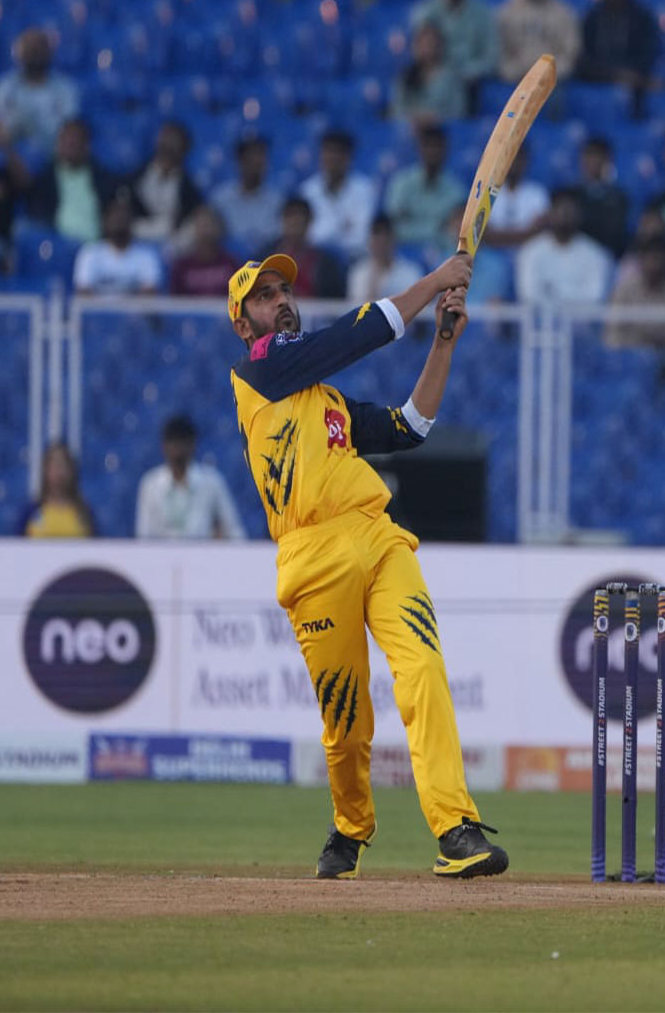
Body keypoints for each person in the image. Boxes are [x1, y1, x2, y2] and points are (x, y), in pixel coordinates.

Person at [225, 250, 509, 878]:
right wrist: (436, 280)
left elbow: (411, 428)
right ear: (244, 324)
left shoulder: (323, 400)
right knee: (347, 724)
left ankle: (455, 828)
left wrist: (443, 341)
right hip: (310, 556)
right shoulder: (260, 373)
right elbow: (358, 335)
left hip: (379, 539)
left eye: (284, 290)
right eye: (264, 296)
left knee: (423, 670)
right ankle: (350, 829)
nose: (282, 300)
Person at [135, 413, 245, 540]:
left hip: (205, 557)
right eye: (173, 443)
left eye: (182, 442)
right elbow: (143, 537)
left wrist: (221, 542)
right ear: (164, 446)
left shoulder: (212, 482)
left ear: (193, 445)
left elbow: (235, 533)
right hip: (160, 558)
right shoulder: (150, 485)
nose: (178, 450)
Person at [577, 0, 659, 109]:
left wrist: (630, 74)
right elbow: (583, 58)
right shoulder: (592, 16)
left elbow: (648, 54)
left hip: (634, 86)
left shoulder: (642, 16)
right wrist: (613, 74)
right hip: (599, 81)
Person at [409, 0, 496, 87]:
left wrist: (463, 74)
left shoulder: (483, 13)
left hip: (470, 84)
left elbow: (491, 59)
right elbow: (419, 54)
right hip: (435, 83)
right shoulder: (426, 12)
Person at [514, 186, 612, 306]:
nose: (565, 214)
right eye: (560, 209)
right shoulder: (531, 251)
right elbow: (529, 296)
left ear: (580, 214)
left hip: (581, 322)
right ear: (550, 213)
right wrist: (572, 295)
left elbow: (595, 296)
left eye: (570, 209)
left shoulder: (595, 254)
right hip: (540, 323)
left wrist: (553, 291)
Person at [495, 0, 580, 82]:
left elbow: (570, 55)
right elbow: (499, 54)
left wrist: (548, 75)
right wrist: (516, 73)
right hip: (516, 82)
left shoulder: (564, 13)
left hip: (551, 84)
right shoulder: (506, 13)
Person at [0, 27, 80, 153]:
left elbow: (70, 131)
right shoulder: (5, 86)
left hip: (53, 158)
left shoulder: (65, 88)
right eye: (30, 50)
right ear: (19, 54)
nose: (35, 55)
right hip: (11, 158)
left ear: (49, 52)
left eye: (39, 50)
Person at [28, 117, 117, 243]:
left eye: (75, 141)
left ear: (87, 146)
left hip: (95, 248)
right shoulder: (45, 178)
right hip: (57, 247)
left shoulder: (101, 178)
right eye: (66, 140)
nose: (70, 145)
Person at [383, 124, 466, 250]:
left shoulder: (456, 190)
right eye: (428, 146)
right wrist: (437, 228)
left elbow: (453, 233)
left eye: (437, 146)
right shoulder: (401, 184)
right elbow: (393, 227)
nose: (432, 151)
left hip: (442, 256)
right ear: (419, 149)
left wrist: (412, 223)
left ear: (446, 151)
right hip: (402, 256)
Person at [605, 232, 665, 349]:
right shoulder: (624, 290)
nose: (655, 265)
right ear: (641, 260)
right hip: (627, 357)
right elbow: (613, 333)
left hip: (663, 361)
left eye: (660, 259)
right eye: (651, 258)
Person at [73, 187, 164, 295]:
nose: (119, 220)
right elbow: (83, 293)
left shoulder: (146, 255)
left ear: (131, 220)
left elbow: (149, 296)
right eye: (115, 215)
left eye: (123, 215)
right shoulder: (90, 253)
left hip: (133, 311)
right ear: (105, 221)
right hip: (100, 311)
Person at [299, 128, 378, 250]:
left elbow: (363, 237)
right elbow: (304, 235)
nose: (333, 158)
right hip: (315, 260)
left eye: (339, 152)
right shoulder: (307, 191)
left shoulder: (364, 189)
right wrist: (343, 229)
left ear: (349, 157)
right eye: (328, 151)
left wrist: (330, 239)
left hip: (352, 260)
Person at [132, 120, 205, 245]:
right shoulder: (135, 178)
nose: (168, 146)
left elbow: (185, 223)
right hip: (139, 240)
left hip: (174, 244)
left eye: (174, 143)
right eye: (165, 141)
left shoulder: (190, 189)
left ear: (184, 149)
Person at [209, 135, 282, 253]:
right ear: (240, 162)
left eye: (261, 159)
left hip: (266, 264)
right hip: (230, 265)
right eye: (251, 159)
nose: (256, 164)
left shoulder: (277, 201)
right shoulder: (220, 200)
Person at [391, 21, 467, 127]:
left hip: (442, 134)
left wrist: (435, 118)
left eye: (430, 43)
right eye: (421, 44)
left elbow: (458, 111)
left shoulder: (452, 78)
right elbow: (397, 111)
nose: (426, 48)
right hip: (411, 134)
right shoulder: (405, 77)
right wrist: (415, 119)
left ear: (439, 46)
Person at [269, 195, 345, 299]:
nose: (295, 221)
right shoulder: (265, 258)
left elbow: (333, 302)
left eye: (300, 217)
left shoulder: (326, 264)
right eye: (290, 216)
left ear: (309, 221)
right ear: (282, 220)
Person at [17, 442, 96, 538]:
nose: (59, 471)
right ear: (45, 470)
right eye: (54, 465)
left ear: (71, 470)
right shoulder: (30, 512)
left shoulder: (84, 514)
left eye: (63, 465)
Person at [480, 144, 551, 248]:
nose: (514, 164)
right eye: (510, 159)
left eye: (518, 159)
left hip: (529, 251)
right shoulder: (488, 193)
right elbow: (483, 232)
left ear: (526, 162)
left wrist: (500, 236)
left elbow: (539, 231)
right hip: (493, 253)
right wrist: (522, 234)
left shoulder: (537, 193)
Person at [347, 213, 425, 304]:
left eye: (385, 236)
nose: (381, 242)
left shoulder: (411, 273)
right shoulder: (358, 273)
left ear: (393, 238)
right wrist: (373, 279)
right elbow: (358, 312)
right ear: (370, 240)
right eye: (377, 236)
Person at [574, 135, 630, 259]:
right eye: (589, 155)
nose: (593, 161)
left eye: (598, 156)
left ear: (608, 160)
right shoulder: (572, 195)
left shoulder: (619, 197)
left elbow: (615, 233)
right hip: (576, 255)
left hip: (608, 255)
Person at [169, 205, 243, 298]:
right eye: (200, 225)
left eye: (208, 225)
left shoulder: (231, 264)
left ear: (218, 229)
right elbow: (174, 304)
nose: (205, 231)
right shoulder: (182, 267)